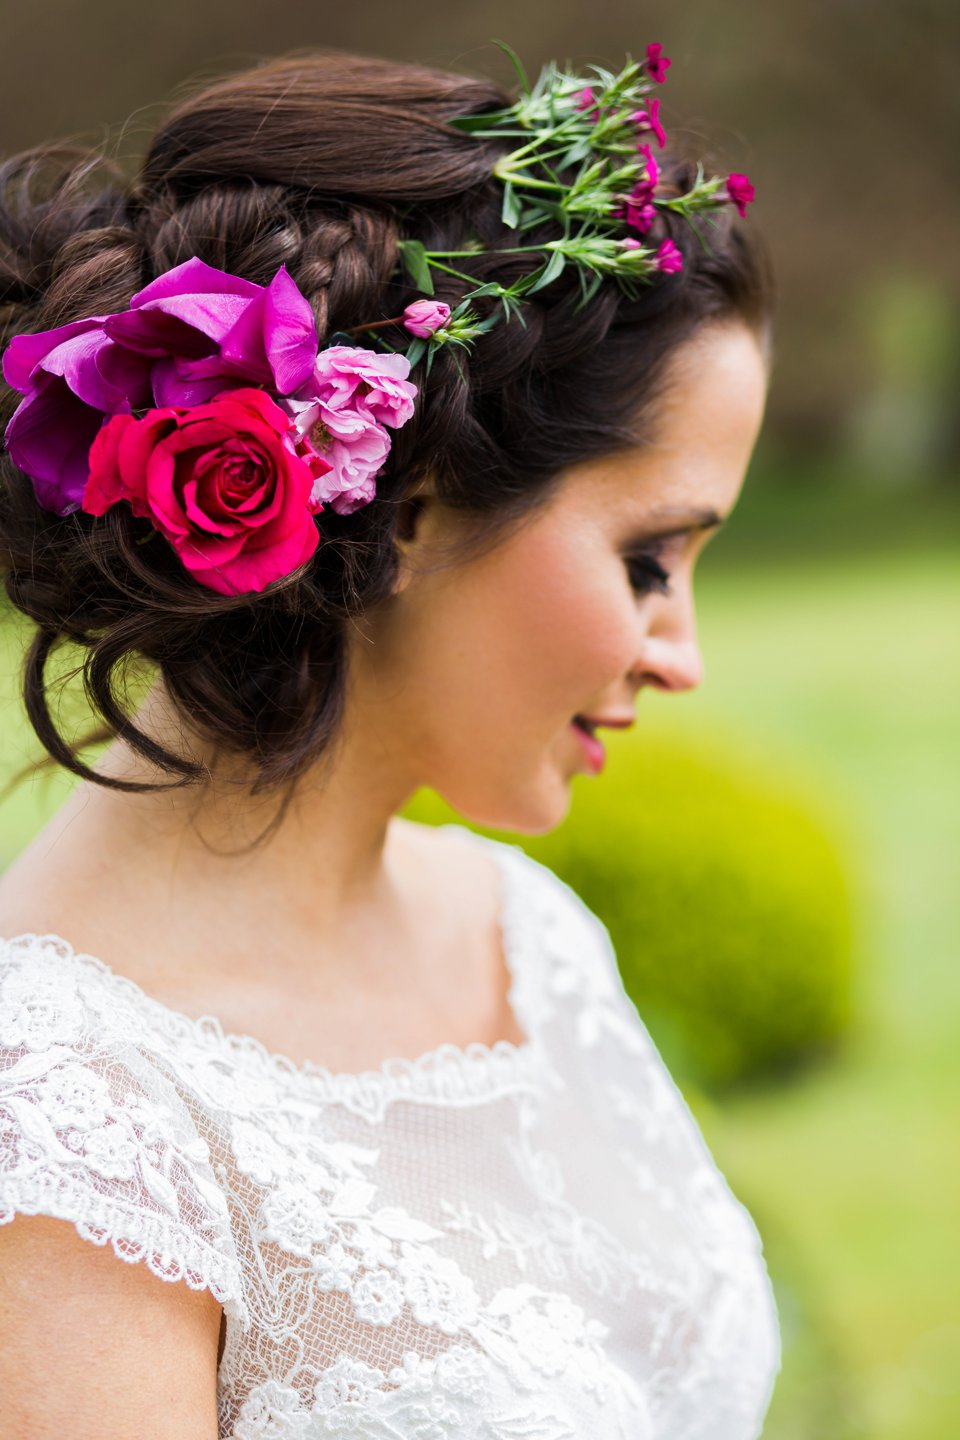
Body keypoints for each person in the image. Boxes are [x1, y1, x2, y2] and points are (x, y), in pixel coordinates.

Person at [0, 45, 780, 1440]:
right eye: (650, 558)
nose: (683, 656)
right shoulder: (58, 1120)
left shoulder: (525, 936)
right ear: (408, 502)